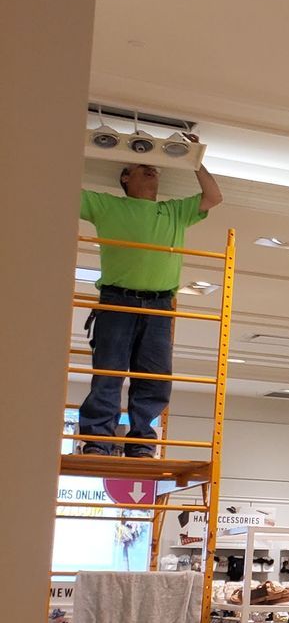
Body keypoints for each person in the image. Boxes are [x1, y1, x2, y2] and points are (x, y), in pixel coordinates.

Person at [76, 160, 222, 457]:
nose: (153, 169)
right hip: (117, 300)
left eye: (155, 168)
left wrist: (196, 160)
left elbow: (213, 197)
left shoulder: (173, 211)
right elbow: (62, 190)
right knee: (109, 373)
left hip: (160, 304)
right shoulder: (107, 205)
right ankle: (97, 441)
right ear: (125, 177)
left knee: (154, 377)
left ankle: (142, 442)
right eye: (142, 167)